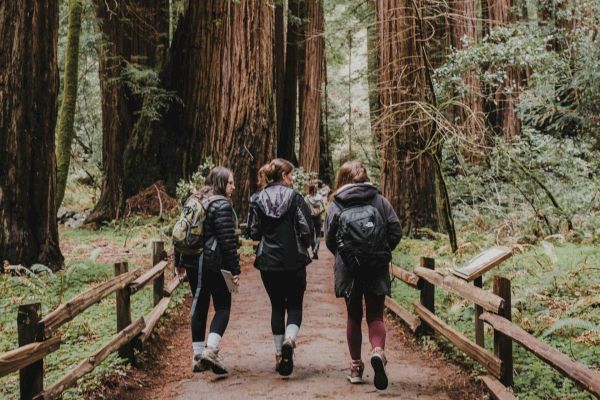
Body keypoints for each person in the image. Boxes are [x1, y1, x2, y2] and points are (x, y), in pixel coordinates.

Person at [325, 160, 402, 390]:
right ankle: (378, 351)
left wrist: (346, 257)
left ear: (342, 179)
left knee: (353, 316)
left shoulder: (336, 204)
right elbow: (395, 230)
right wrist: (381, 253)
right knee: (376, 315)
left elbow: (329, 239)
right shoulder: (379, 200)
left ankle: (356, 368)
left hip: (349, 269)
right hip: (376, 267)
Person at [248, 158, 314, 376]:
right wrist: (309, 245)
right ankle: (290, 340)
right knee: (294, 305)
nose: (293, 178)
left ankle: (279, 354)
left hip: (268, 261)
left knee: (277, 306)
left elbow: (254, 232)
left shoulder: (257, 199)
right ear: (284, 176)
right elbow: (306, 229)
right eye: (291, 174)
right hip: (293, 260)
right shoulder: (295, 198)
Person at [175, 166, 240, 375]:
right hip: (213, 263)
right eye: (230, 183)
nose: (233, 187)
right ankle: (211, 350)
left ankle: (197, 357)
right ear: (221, 182)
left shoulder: (195, 198)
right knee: (223, 306)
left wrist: (179, 260)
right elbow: (227, 241)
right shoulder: (220, 204)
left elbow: (181, 230)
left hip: (193, 261)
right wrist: (234, 269)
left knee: (200, 303)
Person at [304, 183, 326, 259]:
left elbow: (304, 209)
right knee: (318, 235)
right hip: (318, 218)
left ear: (309, 189)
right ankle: (316, 250)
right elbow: (323, 208)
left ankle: (314, 251)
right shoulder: (320, 197)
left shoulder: (306, 198)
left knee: (311, 235)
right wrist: (319, 213)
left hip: (310, 218)